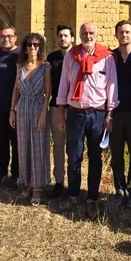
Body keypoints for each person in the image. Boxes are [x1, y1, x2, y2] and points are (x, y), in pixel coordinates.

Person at [56, 21, 118, 220]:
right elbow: (64, 84)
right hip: (75, 113)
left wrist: (110, 114)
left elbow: (112, 86)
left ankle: (92, 198)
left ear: (96, 35)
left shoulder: (106, 57)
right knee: (73, 155)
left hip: (98, 115)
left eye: (91, 33)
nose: (88, 36)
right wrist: (60, 112)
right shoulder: (70, 56)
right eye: (84, 32)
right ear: (80, 35)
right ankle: (73, 194)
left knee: (95, 158)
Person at [9, 33, 51, 205]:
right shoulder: (20, 66)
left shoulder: (45, 67)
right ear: (25, 48)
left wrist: (43, 114)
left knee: (38, 146)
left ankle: (38, 186)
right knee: (24, 145)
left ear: (40, 47)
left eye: (36, 45)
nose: (33, 48)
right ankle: (28, 183)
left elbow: (48, 92)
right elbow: (15, 90)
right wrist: (12, 110)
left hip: (37, 107)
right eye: (29, 45)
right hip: (23, 106)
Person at [110, 20, 131, 208]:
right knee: (117, 154)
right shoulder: (110, 57)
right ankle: (119, 189)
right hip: (115, 112)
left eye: (128, 32)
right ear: (116, 35)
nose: (124, 35)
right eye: (121, 32)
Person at [0, 24, 21, 189]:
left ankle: (16, 175)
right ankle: (1, 172)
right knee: (1, 141)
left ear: (15, 38)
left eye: (9, 36)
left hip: (16, 109)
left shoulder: (21, 55)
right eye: (2, 36)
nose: (6, 39)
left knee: (16, 142)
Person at [46, 24, 74, 198]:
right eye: (60, 36)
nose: (63, 38)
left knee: (73, 146)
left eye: (66, 36)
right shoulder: (52, 58)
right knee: (58, 145)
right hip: (56, 107)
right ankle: (59, 182)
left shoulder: (77, 56)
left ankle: (73, 181)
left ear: (72, 38)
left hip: (74, 109)